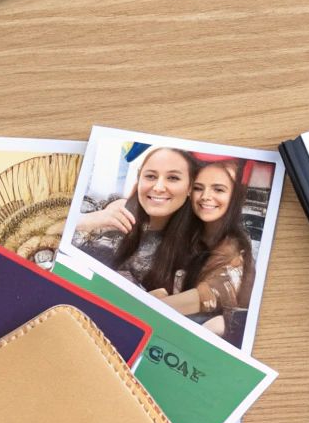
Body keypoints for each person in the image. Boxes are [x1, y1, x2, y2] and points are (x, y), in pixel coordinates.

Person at [150, 157, 254, 347]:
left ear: (235, 196)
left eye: (218, 189)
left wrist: (157, 302)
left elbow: (208, 295)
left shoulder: (235, 251)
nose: (205, 196)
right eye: (199, 188)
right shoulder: (185, 236)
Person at [71, 145, 196, 287]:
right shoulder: (107, 210)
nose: (158, 187)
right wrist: (83, 221)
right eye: (150, 176)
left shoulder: (190, 252)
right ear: (139, 179)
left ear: (190, 187)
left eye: (173, 178)